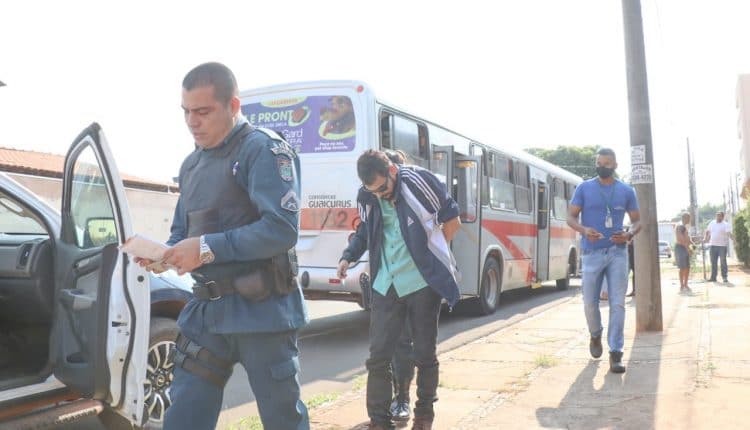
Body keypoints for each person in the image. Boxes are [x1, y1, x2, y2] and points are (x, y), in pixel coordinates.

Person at [139, 62, 309, 430]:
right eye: (185, 112)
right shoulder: (190, 166)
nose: (191, 121)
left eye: (203, 111)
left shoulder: (263, 150)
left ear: (232, 106)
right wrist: (163, 256)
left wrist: (205, 248)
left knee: (283, 420)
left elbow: (281, 230)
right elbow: (182, 231)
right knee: (183, 417)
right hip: (206, 316)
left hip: (262, 312)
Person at [337, 150, 461, 430]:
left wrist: (431, 256)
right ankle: (380, 421)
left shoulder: (420, 183)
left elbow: (452, 220)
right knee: (378, 357)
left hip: (421, 284)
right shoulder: (368, 196)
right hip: (385, 282)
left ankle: (424, 415)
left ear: (392, 171)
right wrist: (348, 256)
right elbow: (366, 230)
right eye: (374, 191)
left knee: (425, 354)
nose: (380, 195)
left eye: (383, 188)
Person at [567, 148, 641, 374]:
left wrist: (629, 234)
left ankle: (616, 353)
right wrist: (583, 229)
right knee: (590, 303)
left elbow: (638, 221)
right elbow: (570, 217)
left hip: (618, 253)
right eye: (599, 162)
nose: (602, 166)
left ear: (615, 165)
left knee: (618, 303)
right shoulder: (584, 188)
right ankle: (595, 334)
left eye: (606, 163)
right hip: (591, 253)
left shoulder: (626, 190)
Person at [703, 211, 734, 283]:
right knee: (713, 262)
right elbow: (707, 231)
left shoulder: (725, 224)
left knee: (723, 262)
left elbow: (729, 233)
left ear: (722, 217)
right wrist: (705, 238)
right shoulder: (712, 223)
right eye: (717, 215)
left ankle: (724, 277)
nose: (718, 217)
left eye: (719, 216)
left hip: (722, 246)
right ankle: (713, 277)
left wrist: (734, 240)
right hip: (712, 245)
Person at [675, 213, 693, 293]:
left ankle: (685, 284)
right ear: (684, 218)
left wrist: (693, 246)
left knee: (687, 267)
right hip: (681, 248)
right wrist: (688, 248)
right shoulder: (680, 226)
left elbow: (687, 238)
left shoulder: (684, 226)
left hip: (685, 248)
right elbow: (680, 239)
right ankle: (682, 285)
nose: (689, 220)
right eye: (688, 218)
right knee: (682, 267)